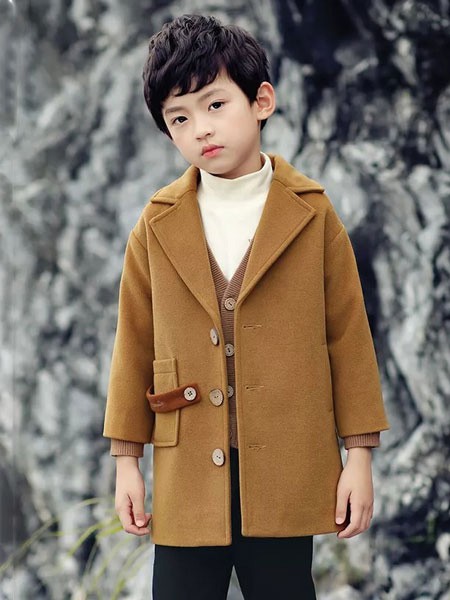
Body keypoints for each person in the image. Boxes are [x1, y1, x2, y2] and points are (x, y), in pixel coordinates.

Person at [102, 13, 390, 600]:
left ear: (261, 101)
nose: (201, 129)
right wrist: (126, 461)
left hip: (286, 467)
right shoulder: (157, 223)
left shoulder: (311, 213)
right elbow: (133, 342)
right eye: (179, 118)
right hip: (186, 471)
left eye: (215, 104)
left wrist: (358, 458)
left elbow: (348, 338)